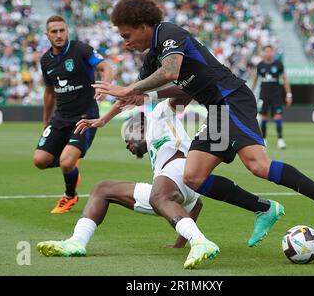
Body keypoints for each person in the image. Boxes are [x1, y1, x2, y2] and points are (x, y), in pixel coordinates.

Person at [96, 0, 314, 243]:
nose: (126, 42)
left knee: (258, 165)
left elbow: (171, 71)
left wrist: (134, 89)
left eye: (126, 35)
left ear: (143, 26)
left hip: (233, 98)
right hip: (218, 110)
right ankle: (264, 208)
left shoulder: (170, 33)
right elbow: (135, 95)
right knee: (193, 177)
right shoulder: (152, 56)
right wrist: (103, 120)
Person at [37, 96, 220, 269]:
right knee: (103, 189)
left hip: (180, 170)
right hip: (185, 190)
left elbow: (182, 93)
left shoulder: (158, 115)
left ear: (141, 126)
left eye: (128, 135)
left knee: (159, 195)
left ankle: (200, 241)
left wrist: (151, 91)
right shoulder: (158, 151)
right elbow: (197, 204)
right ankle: (76, 242)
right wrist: (179, 244)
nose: (128, 144)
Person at [33, 15, 113, 213]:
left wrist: (105, 86)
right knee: (40, 161)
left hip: (85, 116)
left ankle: (69, 196)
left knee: (66, 161)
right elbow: (49, 91)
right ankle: (70, 165)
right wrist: (46, 120)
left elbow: (106, 68)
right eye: (54, 32)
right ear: (47, 35)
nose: (59, 35)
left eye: (62, 30)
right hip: (60, 117)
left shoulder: (80, 49)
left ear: (67, 31)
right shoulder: (46, 60)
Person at [251, 45, 292, 149]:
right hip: (264, 94)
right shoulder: (260, 65)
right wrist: (250, 93)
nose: (268, 53)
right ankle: (264, 139)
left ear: (273, 52)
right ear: (264, 53)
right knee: (263, 117)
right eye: (267, 51)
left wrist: (288, 94)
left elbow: (285, 79)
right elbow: (255, 80)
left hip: (276, 94)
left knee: (277, 116)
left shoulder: (278, 64)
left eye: (270, 51)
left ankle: (280, 140)